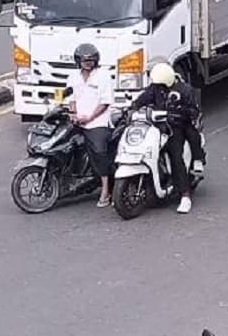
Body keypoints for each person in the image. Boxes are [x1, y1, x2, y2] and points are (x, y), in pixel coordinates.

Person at [129, 61, 204, 213]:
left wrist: (180, 112)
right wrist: (133, 107)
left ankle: (185, 195)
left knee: (175, 156)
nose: (159, 88)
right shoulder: (156, 87)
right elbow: (144, 98)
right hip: (157, 125)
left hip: (177, 127)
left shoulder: (185, 90)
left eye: (161, 85)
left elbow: (193, 111)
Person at [67, 43, 115, 208]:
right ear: (78, 61)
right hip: (77, 120)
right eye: (84, 60)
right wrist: (73, 114)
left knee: (99, 153)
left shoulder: (103, 76)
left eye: (91, 60)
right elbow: (71, 98)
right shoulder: (73, 77)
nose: (87, 63)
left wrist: (89, 118)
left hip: (98, 121)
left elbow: (105, 103)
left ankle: (106, 190)